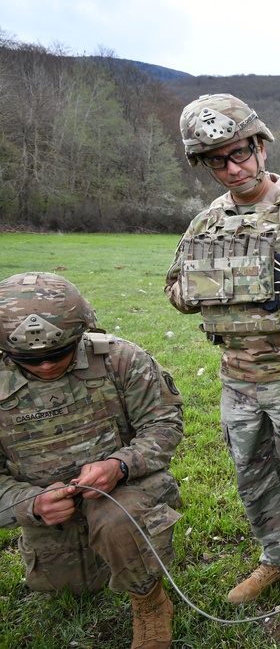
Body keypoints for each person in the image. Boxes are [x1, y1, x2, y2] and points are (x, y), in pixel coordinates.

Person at [165, 93, 280, 621]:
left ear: (261, 146)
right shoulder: (205, 224)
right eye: (216, 160)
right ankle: (277, 557)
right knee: (254, 477)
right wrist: (222, 280)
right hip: (237, 380)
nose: (232, 168)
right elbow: (176, 291)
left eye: (239, 152)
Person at [0, 272, 184, 649]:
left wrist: (121, 464)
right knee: (69, 586)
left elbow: (164, 423)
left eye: (58, 354)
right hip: (48, 512)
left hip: (125, 492)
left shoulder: (120, 359)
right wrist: (30, 503)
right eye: (28, 360)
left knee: (116, 518)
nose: (47, 367)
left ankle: (150, 604)